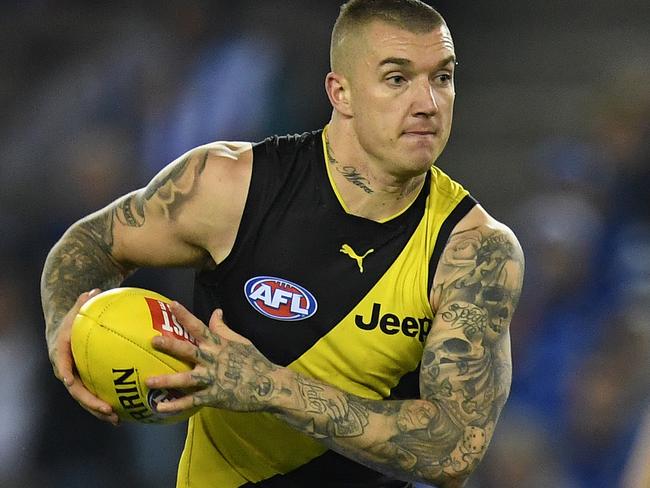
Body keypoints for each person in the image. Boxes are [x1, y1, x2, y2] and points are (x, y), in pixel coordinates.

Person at [41, 1, 524, 487]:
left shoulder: (472, 252)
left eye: (442, 77)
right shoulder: (231, 186)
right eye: (397, 79)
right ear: (342, 93)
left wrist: (270, 388)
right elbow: (92, 243)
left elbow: (453, 449)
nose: (428, 103)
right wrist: (66, 318)